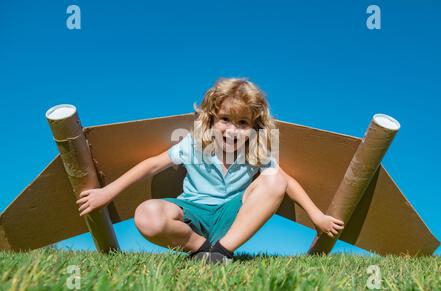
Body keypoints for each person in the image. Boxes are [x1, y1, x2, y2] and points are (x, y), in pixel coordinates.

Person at [76, 77, 344, 264]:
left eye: (242, 122)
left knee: (275, 179)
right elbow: (153, 164)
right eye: (225, 119)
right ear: (212, 119)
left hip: (233, 217)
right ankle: (203, 250)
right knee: (146, 216)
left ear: (254, 128)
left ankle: (222, 252)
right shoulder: (195, 143)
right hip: (193, 213)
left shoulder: (256, 151)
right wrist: (107, 192)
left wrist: (317, 217)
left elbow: (287, 182)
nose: (231, 129)